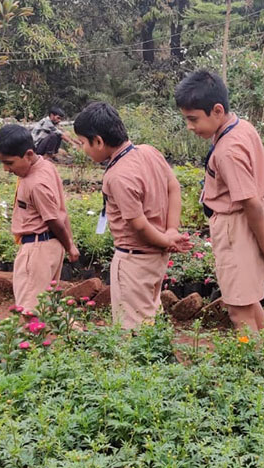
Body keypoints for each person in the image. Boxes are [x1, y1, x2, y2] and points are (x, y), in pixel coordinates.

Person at [175, 70, 264, 332]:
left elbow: (250, 202)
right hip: (253, 223)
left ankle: (253, 367)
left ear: (217, 110)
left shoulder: (228, 151)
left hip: (238, 228)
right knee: (248, 302)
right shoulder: (243, 127)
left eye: (193, 119)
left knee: (238, 310)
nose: (190, 127)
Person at [74, 102, 192, 329]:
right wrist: (170, 231)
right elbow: (173, 187)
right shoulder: (150, 152)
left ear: (98, 141)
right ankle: (159, 359)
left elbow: (138, 225)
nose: (83, 150)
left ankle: (141, 364)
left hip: (134, 260)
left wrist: (167, 239)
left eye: (82, 143)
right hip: (157, 258)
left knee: (132, 327)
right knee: (149, 315)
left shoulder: (118, 175)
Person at [0, 124, 80, 312]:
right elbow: (61, 211)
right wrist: (68, 244)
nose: (6, 169)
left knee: (30, 311)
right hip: (49, 246)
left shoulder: (36, 184)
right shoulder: (46, 166)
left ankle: (33, 342)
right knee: (48, 307)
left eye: (9, 163)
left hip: (37, 249)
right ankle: (75, 339)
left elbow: (54, 220)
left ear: (29, 154)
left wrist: (70, 246)